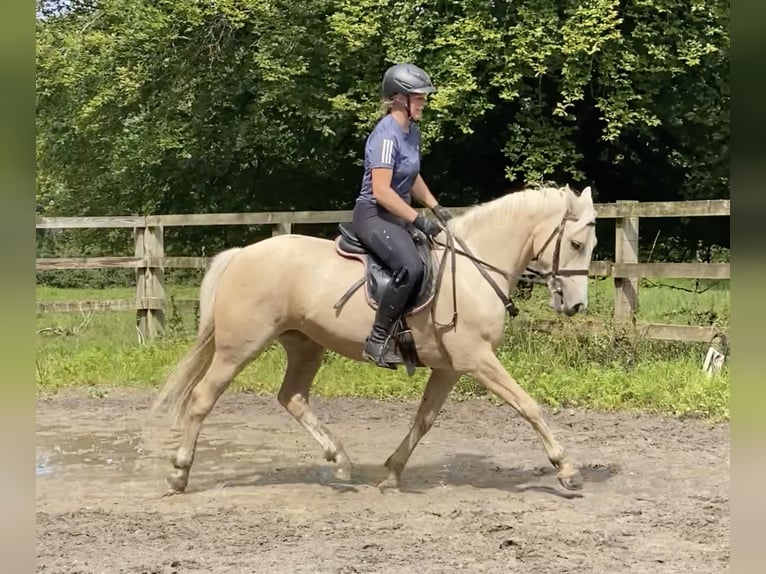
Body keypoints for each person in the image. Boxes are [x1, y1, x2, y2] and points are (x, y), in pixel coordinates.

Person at [352, 62, 453, 368]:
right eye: (419, 97)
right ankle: (378, 338)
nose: (424, 102)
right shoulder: (386, 136)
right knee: (410, 265)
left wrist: (435, 206)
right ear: (399, 99)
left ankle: (413, 334)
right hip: (374, 215)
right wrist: (418, 219)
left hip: (395, 216)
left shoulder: (412, 132)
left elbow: (412, 176)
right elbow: (382, 191)